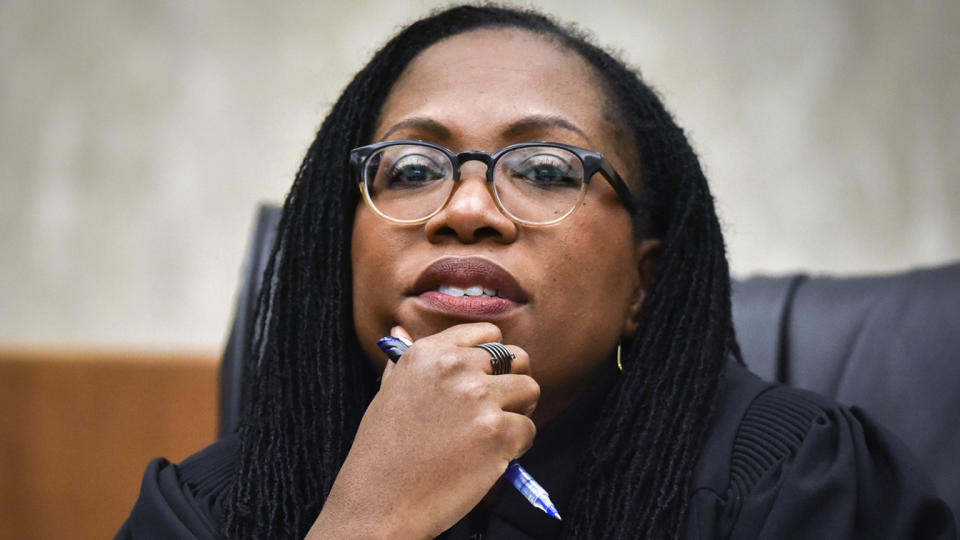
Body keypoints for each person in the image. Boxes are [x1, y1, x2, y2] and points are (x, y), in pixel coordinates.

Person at [117, 5, 956, 539]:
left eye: (547, 169)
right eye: (411, 168)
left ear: (644, 284)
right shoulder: (217, 510)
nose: (469, 206)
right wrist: (372, 519)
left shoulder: (792, 484)